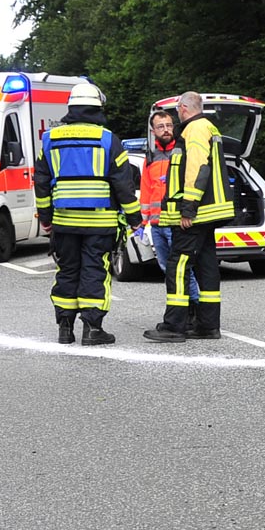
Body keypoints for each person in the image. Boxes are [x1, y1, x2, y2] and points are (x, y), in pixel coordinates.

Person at [34, 82, 141, 345]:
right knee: (95, 270)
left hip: (64, 221)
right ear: (97, 108)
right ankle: (92, 329)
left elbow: (41, 182)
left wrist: (46, 217)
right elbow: (123, 184)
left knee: (67, 270)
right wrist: (134, 217)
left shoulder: (50, 139)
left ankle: (65, 329)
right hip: (99, 221)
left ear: (70, 108)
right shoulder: (108, 139)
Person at [143, 91, 234, 343]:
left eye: (177, 110)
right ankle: (207, 325)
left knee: (178, 265)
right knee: (206, 267)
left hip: (197, 213)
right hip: (209, 212)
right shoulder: (208, 127)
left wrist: (188, 207)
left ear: (183, 108)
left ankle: (174, 326)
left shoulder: (194, 129)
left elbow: (197, 166)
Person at [139, 110, 199, 317]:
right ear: (152, 130)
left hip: (175, 222)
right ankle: (179, 309)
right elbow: (146, 188)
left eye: (169, 125)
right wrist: (142, 220)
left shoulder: (182, 150)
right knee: (167, 269)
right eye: (161, 126)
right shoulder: (150, 156)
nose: (166, 130)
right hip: (157, 224)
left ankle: (194, 307)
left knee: (183, 269)